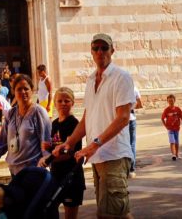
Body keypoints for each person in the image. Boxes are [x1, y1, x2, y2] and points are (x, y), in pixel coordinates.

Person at [56, 33, 136, 219]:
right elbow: (87, 117)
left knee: (111, 214)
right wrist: (69, 143)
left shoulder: (121, 77)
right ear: (91, 52)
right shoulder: (91, 80)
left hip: (114, 155)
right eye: (95, 48)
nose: (100, 52)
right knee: (115, 213)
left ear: (112, 51)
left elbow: (123, 118)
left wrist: (93, 145)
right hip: (99, 157)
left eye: (104, 48)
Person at [0, 73, 51, 179]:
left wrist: (48, 165)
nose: (23, 92)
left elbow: (46, 141)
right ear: (13, 92)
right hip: (14, 170)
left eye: (26, 88)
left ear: (32, 90)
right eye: (19, 89)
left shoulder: (39, 112)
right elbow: (1, 142)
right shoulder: (11, 114)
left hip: (33, 170)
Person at [38, 86, 85, 219]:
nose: (63, 104)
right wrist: (48, 147)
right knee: (49, 210)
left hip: (71, 175)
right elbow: (56, 146)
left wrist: (48, 159)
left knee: (70, 215)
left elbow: (68, 152)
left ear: (72, 103)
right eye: (60, 101)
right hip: (56, 175)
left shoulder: (74, 123)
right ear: (54, 102)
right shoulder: (54, 124)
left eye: (67, 100)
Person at [161, 94, 182, 160]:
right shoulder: (166, 110)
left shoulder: (177, 109)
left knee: (177, 142)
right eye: (169, 101)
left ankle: (177, 153)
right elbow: (162, 118)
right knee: (172, 141)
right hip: (170, 129)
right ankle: (173, 154)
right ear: (167, 101)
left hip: (176, 128)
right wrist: (165, 126)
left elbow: (181, 117)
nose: (171, 102)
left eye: (172, 101)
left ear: (174, 101)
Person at [128, 87, 143, 176]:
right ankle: (131, 168)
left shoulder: (119, 87)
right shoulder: (135, 89)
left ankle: (125, 167)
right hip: (132, 118)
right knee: (132, 144)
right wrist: (132, 107)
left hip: (121, 119)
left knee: (123, 143)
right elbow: (140, 104)